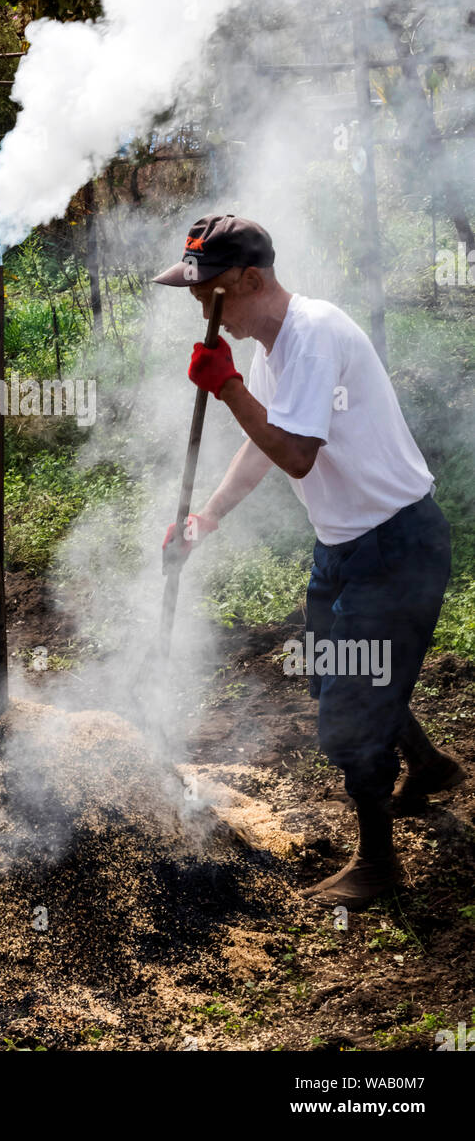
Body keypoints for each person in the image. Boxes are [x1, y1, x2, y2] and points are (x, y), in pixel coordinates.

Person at [155, 213, 464, 910]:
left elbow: (296, 452)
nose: (200, 307)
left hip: (394, 548)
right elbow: (265, 445)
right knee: (339, 674)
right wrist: (207, 517)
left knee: (351, 712)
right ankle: (429, 764)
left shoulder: (314, 333)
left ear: (252, 279)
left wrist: (230, 389)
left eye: (208, 292)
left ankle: (380, 865)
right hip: (347, 550)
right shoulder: (273, 346)